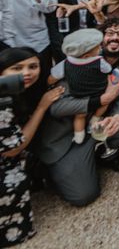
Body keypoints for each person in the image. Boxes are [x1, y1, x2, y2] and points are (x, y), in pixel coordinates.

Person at [37, 19, 119, 206]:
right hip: (68, 134)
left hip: (97, 125)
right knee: (83, 195)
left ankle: (101, 154)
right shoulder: (79, 60)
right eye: (110, 33)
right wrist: (100, 101)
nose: (115, 37)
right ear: (100, 39)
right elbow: (57, 107)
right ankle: (72, 164)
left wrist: (117, 116)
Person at [0, 47, 64, 247]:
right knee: (12, 180)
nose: (26, 72)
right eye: (17, 68)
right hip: (8, 156)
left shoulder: (29, 89)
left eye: (33, 66)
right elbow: (12, 149)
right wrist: (42, 107)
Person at [49, 29, 117, 144]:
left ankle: (78, 136)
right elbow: (108, 70)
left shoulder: (66, 63)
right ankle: (95, 120)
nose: (100, 48)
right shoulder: (99, 61)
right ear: (86, 55)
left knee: (80, 115)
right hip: (98, 92)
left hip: (78, 95)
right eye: (97, 48)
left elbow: (52, 78)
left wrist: (51, 84)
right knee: (104, 104)